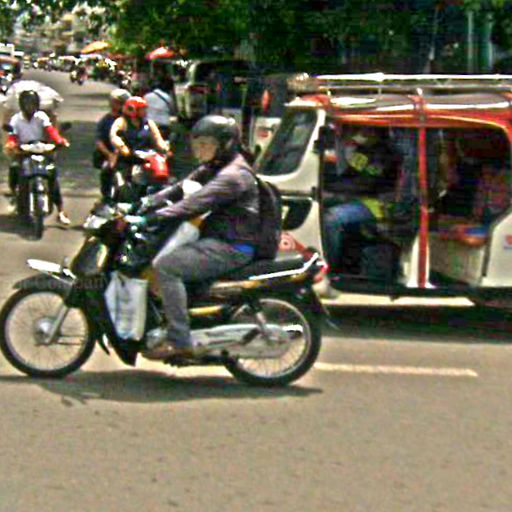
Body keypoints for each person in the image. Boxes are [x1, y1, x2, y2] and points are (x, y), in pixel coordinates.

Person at [125, 115, 259, 360]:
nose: (199, 151)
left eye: (206, 145)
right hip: (216, 239)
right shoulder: (214, 166)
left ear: (225, 144)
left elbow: (195, 203)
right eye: (197, 145)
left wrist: (151, 218)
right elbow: (180, 188)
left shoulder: (233, 175)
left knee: (167, 267)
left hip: (231, 246)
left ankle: (180, 340)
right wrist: (143, 203)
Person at [323, 126, 400, 272]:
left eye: (364, 130)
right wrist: (325, 184)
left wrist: (330, 190)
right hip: (358, 198)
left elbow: (367, 185)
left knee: (330, 219)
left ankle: (330, 266)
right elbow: (349, 175)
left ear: (375, 131)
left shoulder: (385, 155)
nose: (358, 134)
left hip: (378, 204)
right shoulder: (364, 150)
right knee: (318, 206)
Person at [3, 89, 71, 224]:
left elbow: (50, 131)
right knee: (14, 168)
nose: (30, 107)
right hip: (24, 151)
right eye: (27, 104)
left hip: (41, 149)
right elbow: (13, 136)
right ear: (22, 104)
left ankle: (61, 211)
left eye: (32, 103)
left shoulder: (41, 116)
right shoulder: (16, 119)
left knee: (52, 174)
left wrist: (60, 141)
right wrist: (11, 144)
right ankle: (15, 195)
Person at [94, 88, 131, 199]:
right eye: (116, 102)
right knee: (106, 170)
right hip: (110, 154)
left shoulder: (131, 120)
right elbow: (99, 141)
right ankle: (106, 197)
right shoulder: (106, 120)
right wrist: (109, 154)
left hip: (128, 154)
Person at [110, 96, 170, 162]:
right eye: (142, 109)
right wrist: (122, 147)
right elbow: (114, 137)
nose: (145, 111)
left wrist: (165, 148)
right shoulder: (121, 122)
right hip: (128, 158)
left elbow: (157, 138)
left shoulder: (149, 123)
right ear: (133, 109)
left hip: (147, 156)